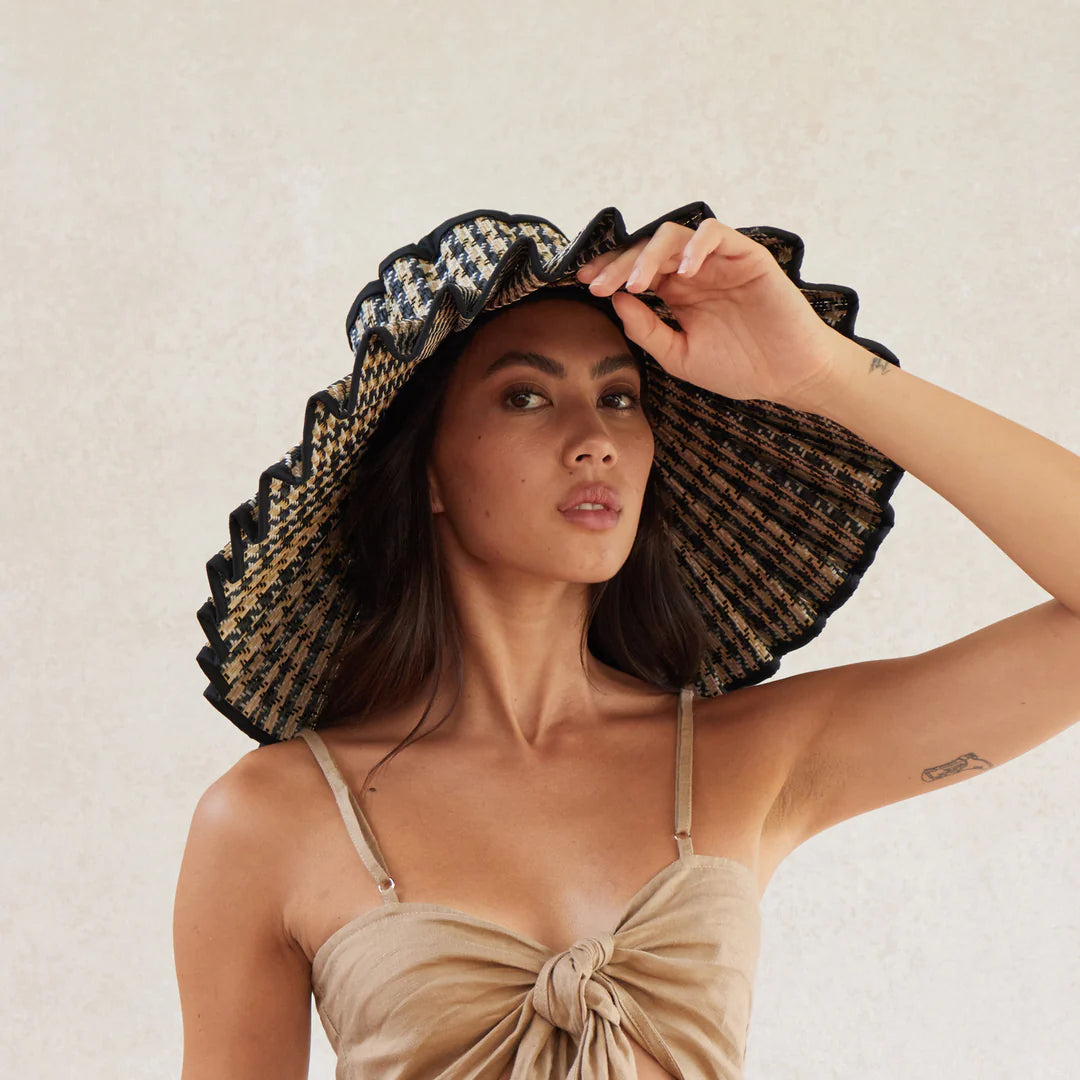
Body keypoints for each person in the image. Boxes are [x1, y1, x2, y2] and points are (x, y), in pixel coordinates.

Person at [174, 205, 1080, 1079]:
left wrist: (819, 370)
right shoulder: (271, 818)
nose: (595, 439)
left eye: (619, 398)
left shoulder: (749, 758)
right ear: (430, 474)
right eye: (526, 397)